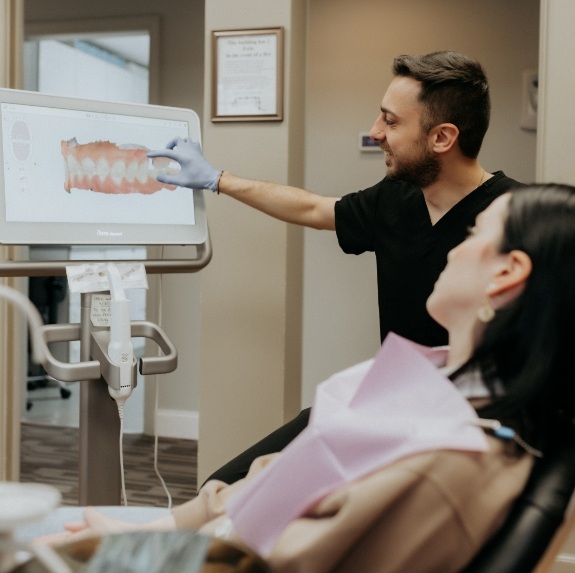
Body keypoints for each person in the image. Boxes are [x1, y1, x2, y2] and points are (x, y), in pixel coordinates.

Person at [39, 184, 575, 572]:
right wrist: (156, 529)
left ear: (507, 273)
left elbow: (272, 563)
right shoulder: (440, 379)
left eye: (477, 232)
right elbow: (289, 475)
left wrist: (135, 555)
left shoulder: (448, 463)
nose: (455, 247)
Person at [148, 50, 523, 486]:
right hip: (387, 407)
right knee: (225, 486)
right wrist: (216, 178)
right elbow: (312, 207)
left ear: (442, 138)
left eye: (391, 121)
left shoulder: (515, 219)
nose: (375, 132)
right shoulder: (395, 199)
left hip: (458, 435)